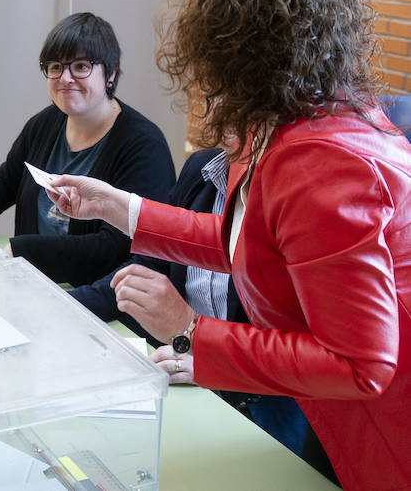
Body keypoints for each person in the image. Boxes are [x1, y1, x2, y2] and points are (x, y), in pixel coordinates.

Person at [48, 0, 411, 489]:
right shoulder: (283, 124)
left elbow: (361, 365)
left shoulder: (325, 165)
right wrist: (120, 207)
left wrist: (189, 328)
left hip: (386, 431)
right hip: (333, 413)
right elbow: (244, 242)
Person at [71, 148, 322, 468]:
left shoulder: (292, 190)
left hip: (270, 401)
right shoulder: (202, 168)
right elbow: (153, 262)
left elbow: (297, 336)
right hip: (201, 380)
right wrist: (66, 306)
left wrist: (194, 336)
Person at [0, 12, 175, 287]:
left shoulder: (144, 146)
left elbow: (116, 248)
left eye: (81, 66)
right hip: (34, 284)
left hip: (101, 303)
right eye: (56, 66)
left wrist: (26, 252)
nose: (65, 77)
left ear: (111, 72)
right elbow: (7, 179)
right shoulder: (45, 123)